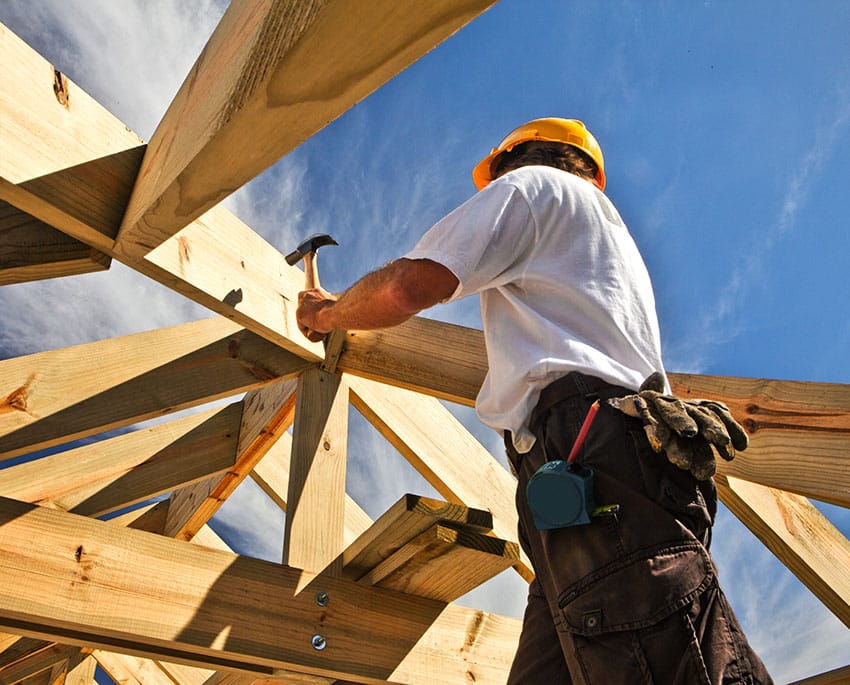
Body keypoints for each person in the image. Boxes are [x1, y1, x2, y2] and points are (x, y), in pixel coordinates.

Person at [296, 117, 772, 683]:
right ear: (592, 172)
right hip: (599, 473)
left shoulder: (531, 188)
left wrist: (327, 313)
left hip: (591, 457)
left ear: (509, 164)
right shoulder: (602, 238)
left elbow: (406, 286)